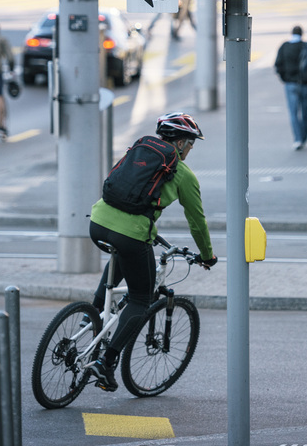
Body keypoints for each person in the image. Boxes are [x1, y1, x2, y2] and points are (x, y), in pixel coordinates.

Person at [84, 112, 218, 391]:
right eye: (191, 143)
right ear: (180, 143)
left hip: (97, 223)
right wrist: (207, 255)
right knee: (141, 299)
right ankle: (105, 362)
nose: (191, 149)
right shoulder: (183, 174)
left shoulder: (140, 151)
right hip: (132, 234)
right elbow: (197, 221)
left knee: (123, 252)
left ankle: (92, 313)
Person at [274, 25, 307, 150]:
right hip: (305, 84)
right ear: (302, 34)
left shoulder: (284, 46)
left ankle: (297, 139)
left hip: (290, 84)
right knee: (305, 112)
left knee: (293, 113)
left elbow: (278, 65)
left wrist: (285, 78)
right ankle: (304, 137)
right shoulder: (306, 46)